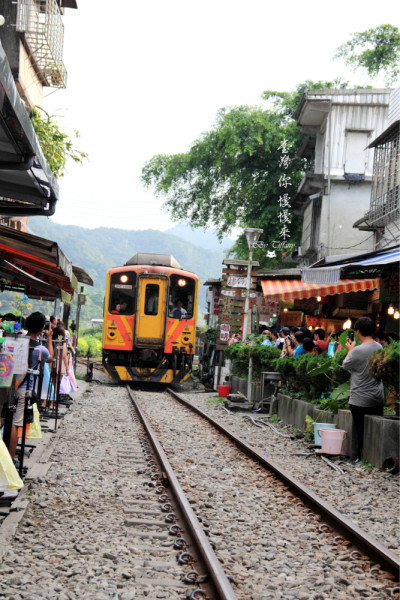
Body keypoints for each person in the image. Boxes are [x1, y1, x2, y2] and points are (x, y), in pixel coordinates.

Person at [10, 312, 54, 460]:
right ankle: (10, 460)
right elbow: (50, 359)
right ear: (42, 328)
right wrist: (49, 338)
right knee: (15, 424)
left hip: (7, 385)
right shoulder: (40, 349)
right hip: (23, 389)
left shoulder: (14, 340)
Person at [342, 317, 384, 465]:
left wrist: (349, 350)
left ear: (358, 332)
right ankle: (374, 459)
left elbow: (345, 365)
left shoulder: (357, 350)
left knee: (360, 429)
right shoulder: (379, 347)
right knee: (375, 430)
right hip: (377, 397)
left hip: (359, 398)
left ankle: (360, 457)